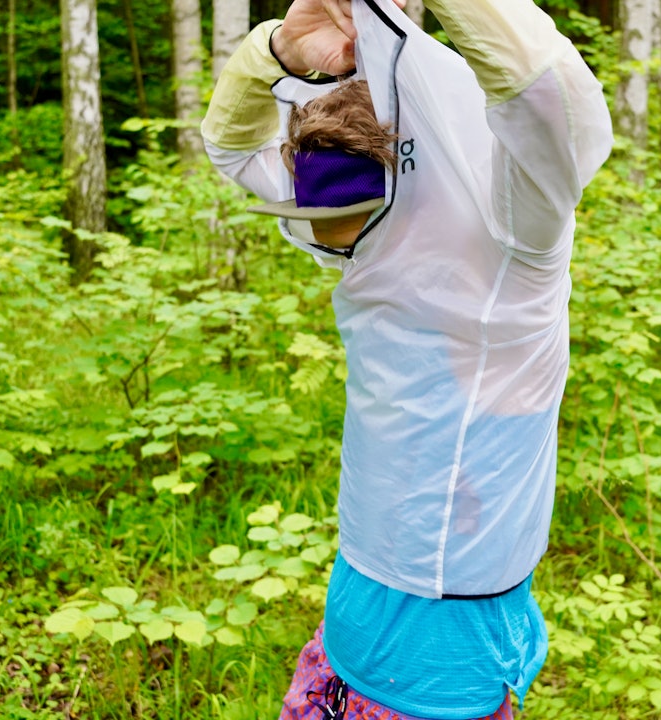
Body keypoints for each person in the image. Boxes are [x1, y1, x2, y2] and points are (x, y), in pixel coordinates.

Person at [201, 0, 612, 718]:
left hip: (445, 633)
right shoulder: (344, 209)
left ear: (402, 178)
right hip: (361, 584)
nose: (316, 233)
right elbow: (232, 150)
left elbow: (551, 99)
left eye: (325, 215)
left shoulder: (515, 242)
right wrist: (280, 49)